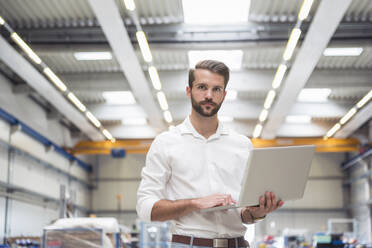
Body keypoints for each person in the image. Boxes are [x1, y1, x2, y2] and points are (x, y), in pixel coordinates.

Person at [136, 60, 284, 248]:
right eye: (202, 87)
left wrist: (257, 212)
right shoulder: (166, 143)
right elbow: (145, 207)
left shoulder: (242, 145)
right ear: (189, 91)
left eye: (216, 89)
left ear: (224, 95)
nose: (209, 95)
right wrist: (195, 203)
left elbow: (243, 214)